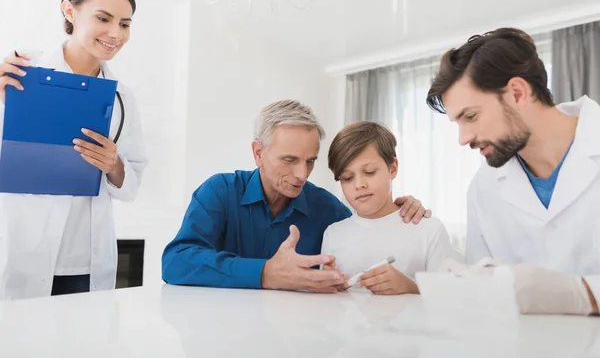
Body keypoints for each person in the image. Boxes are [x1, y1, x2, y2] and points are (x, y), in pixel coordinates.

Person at [162, 100, 430, 293]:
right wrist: (265, 273)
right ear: (258, 153)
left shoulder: (327, 209)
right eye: (289, 160)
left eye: (310, 161)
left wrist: (399, 211)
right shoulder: (220, 192)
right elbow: (175, 262)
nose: (302, 174)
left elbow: (366, 227)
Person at [425, 27, 600, 315]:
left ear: (517, 92)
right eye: (458, 122)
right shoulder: (484, 187)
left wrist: (581, 294)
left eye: (471, 116)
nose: (463, 138)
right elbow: (487, 299)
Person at [0, 0, 148, 299]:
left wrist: (114, 164)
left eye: (125, 24)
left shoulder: (122, 97)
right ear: (70, 11)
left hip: (85, 263)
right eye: (104, 18)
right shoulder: (23, 74)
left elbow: (133, 181)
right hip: (23, 253)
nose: (115, 33)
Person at [321, 121, 458, 295]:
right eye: (347, 178)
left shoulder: (428, 230)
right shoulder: (333, 235)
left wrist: (411, 288)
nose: (359, 184)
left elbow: (450, 300)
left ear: (393, 168)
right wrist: (328, 286)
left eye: (369, 172)